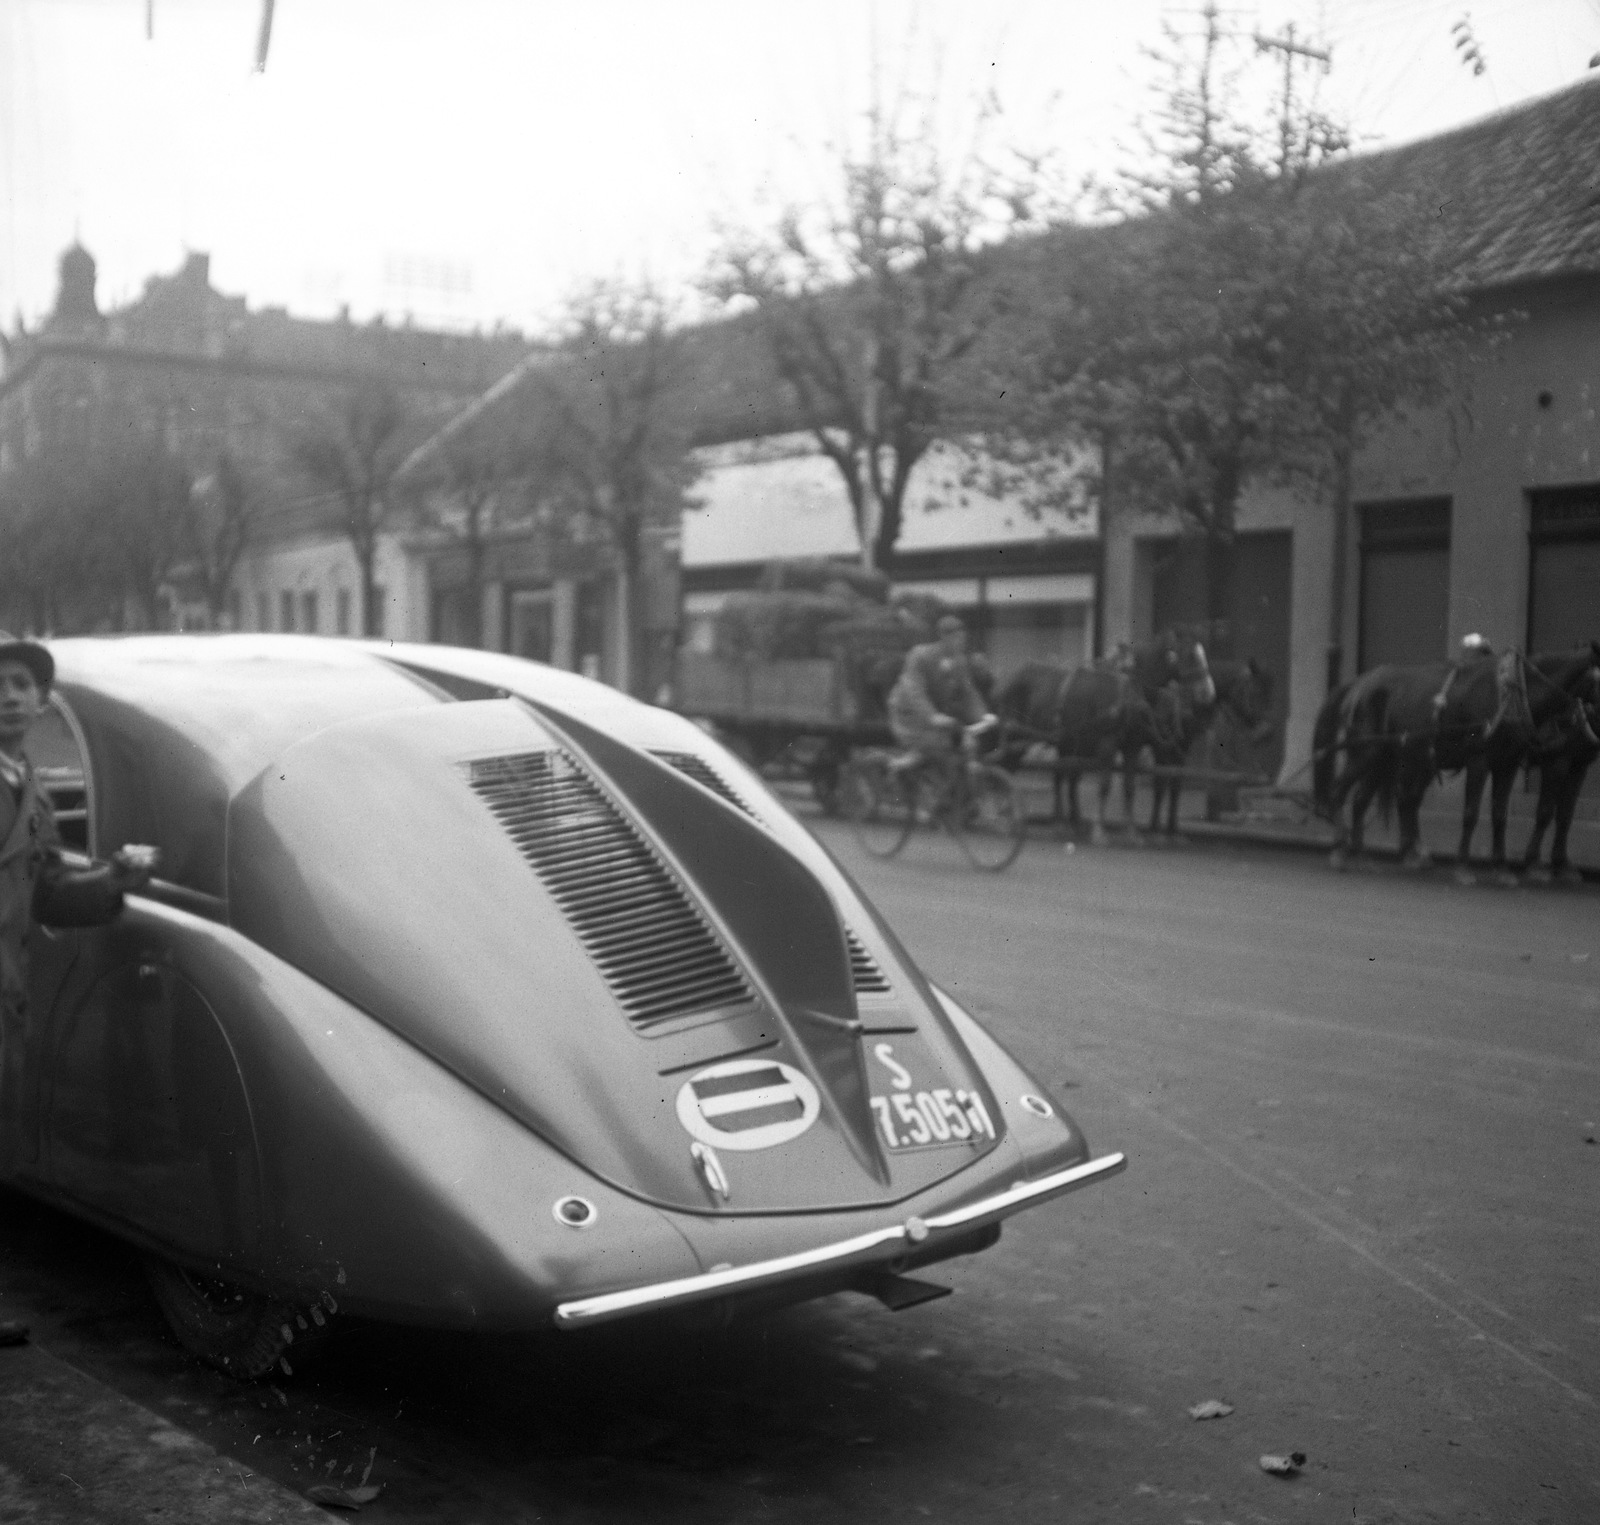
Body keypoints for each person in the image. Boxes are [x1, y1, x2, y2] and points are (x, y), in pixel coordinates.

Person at [0, 634, 154, 1349]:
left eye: (22, 685)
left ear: (40, 702)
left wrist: (112, 880)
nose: (8, 697)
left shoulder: (28, 786)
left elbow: (46, 891)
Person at [886, 614, 995, 793]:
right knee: (934, 746)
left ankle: (948, 792)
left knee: (960, 746)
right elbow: (914, 690)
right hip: (908, 714)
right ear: (944, 637)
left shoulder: (959, 661)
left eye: (962, 638)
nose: (960, 642)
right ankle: (901, 767)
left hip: (935, 715)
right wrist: (932, 716)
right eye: (956, 638)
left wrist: (983, 715)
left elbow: (968, 693)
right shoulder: (920, 655)